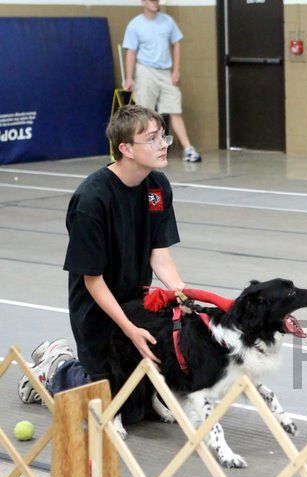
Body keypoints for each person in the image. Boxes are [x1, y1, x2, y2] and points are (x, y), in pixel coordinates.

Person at [18, 105, 185, 407]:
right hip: (97, 310)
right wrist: (130, 329)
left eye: (164, 137)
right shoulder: (92, 200)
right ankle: (58, 368)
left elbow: (160, 257)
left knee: (140, 401)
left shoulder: (157, 188)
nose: (163, 145)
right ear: (126, 149)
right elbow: (93, 282)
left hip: (136, 303)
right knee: (110, 404)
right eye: (152, 139)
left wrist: (182, 296)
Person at [122, 0, 202, 163]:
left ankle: (188, 149)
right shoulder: (135, 25)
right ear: (143, 2)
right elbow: (131, 52)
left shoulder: (168, 21)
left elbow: (176, 44)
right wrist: (129, 77)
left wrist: (176, 70)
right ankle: (142, 149)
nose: (155, 3)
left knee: (175, 109)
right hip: (145, 70)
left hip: (165, 71)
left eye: (157, 0)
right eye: (151, 0)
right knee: (144, 113)